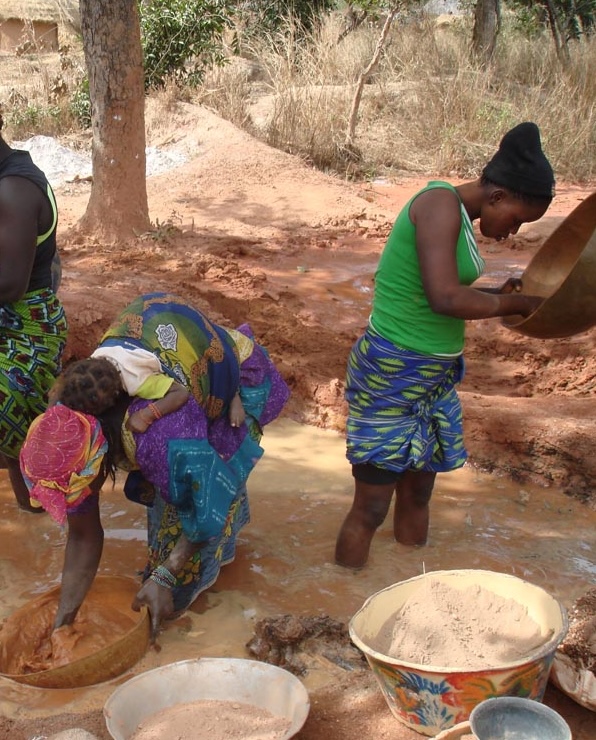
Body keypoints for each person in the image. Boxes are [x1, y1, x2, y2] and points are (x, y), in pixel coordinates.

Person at [335, 122, 555, 569]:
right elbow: (444, 297)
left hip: (432, 381)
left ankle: (413, 585)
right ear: (496, 197)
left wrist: (499, 294)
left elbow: (439, 290)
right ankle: (342, 602)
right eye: (515, 219)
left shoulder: (457, 216)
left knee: (418, 495)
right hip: (391, 375)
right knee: (371, 508)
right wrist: (518, 303)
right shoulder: (438, 205)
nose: (511, 232)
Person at [20, 292, 290, 640]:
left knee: (182, 563)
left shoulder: (160, 433)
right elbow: (83, 535)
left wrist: (165, 574)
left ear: (98, 457)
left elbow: (205, 497)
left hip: (229, 374)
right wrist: (62, 625)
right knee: (169, 494)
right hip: (170, 360)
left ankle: (215, 567)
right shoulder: (65, 420)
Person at [0, 111, 67, 512]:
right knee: (17, 440)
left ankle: (56, 520)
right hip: (19, 324)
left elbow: (10, 284)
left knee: (23, 434)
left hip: (28, 334)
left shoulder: (14, 190)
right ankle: (35, 513)